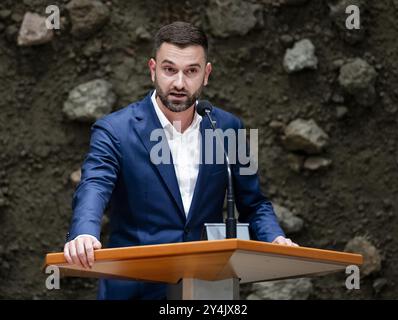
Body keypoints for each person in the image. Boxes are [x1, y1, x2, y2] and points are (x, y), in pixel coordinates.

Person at [64, 21, 298, 300]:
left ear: (206, 74)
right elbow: (95, 185)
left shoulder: (227, 128)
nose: (179, 82)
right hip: (136, 286)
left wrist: (275, 238)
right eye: (169, 69)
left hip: (208, 288)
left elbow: (253, 202)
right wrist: (84, 233)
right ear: (153, 70)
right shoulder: (115, 130)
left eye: (191, 71)